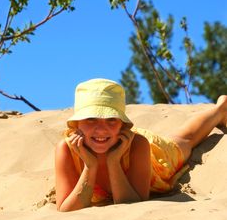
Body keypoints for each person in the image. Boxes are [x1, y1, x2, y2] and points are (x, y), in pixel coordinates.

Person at [55, 78, 227, 212]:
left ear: (122, 124)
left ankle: (220, 110)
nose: (101, 129)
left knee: (185, 141)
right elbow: (66, 209)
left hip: (152, 160)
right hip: (117, 141)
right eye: (91, 119)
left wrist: (113, 162)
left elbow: (131, 203)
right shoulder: (66, 150)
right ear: (77, 124)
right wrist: (90, 166)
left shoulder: (138, 145)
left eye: (111, 120)